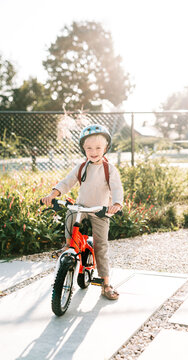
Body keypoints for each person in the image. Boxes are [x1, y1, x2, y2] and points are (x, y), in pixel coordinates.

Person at [41, 124, 123, 300]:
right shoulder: (81, 167)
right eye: (89, 148)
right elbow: (66, 182)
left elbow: (117, 189)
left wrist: (116, 204)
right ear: (83, 149)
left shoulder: (110, 169)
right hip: (82, 207)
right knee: (70, 214)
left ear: (106, 148)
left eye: (98, 148)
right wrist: (52, 194)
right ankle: (69, 244)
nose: (94, 151)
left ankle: (106, 283)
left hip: (100, 211)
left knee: (101, 246)